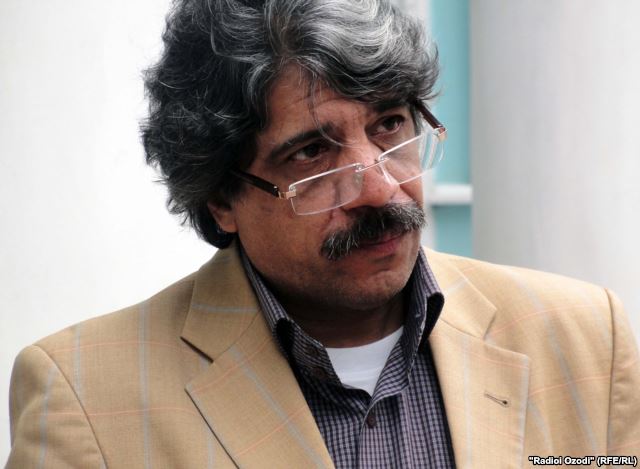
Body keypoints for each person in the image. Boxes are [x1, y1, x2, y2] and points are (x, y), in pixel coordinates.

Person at [6, 0, 640, 467]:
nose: (380, 190)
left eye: (390, 125)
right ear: (222, 198)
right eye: (311, 153)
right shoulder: (84, 396)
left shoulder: (586, 339)